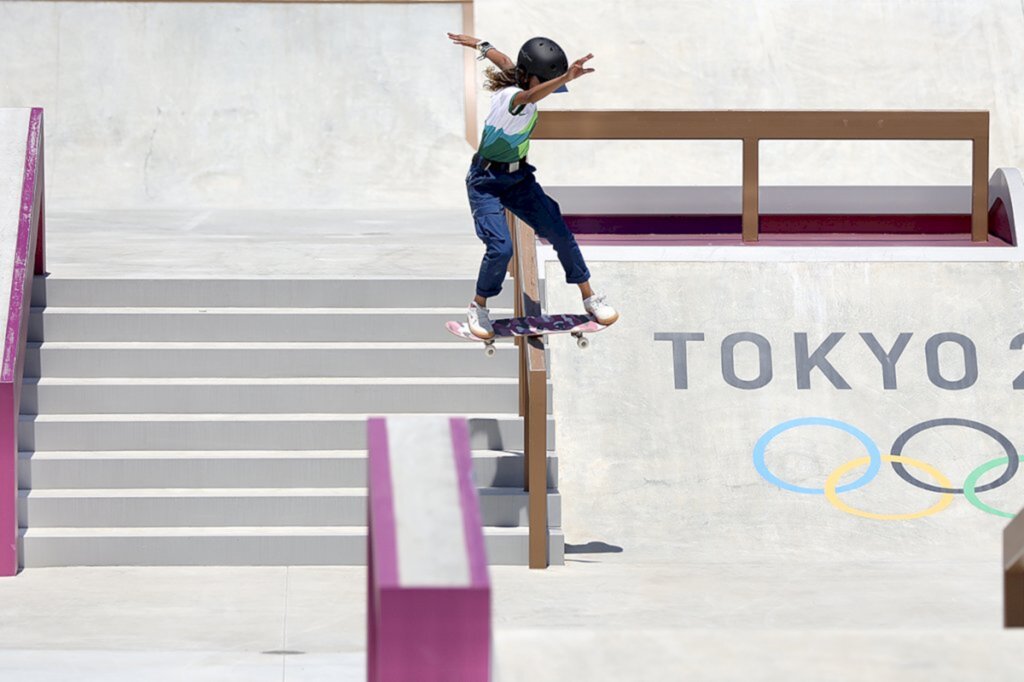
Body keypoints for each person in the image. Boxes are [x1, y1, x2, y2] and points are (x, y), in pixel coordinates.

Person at [447, 33, 619, 340]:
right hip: (485, 183)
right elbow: (528, 97)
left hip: (519, 180)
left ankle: (589, 297)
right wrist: (567, 76)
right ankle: (479, 305)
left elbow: (505, 62)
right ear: (532, 80)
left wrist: (481, 45)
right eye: (547, 84)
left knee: (560, 232)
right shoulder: (512, 97)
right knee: (501, 248)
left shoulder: (519, 76)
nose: (550, 92)